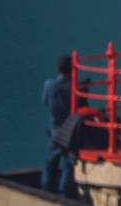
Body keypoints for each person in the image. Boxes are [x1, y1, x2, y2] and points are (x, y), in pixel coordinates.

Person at [41, 55, 75, 196]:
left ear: (58, 68)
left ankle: (45, 193)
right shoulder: (75, 87)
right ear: (73, 69)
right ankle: (63, 196)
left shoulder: (49, 85)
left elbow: (44, 102)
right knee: (68, 166)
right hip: (70, 131)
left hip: (54, 130)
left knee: (50, 164)